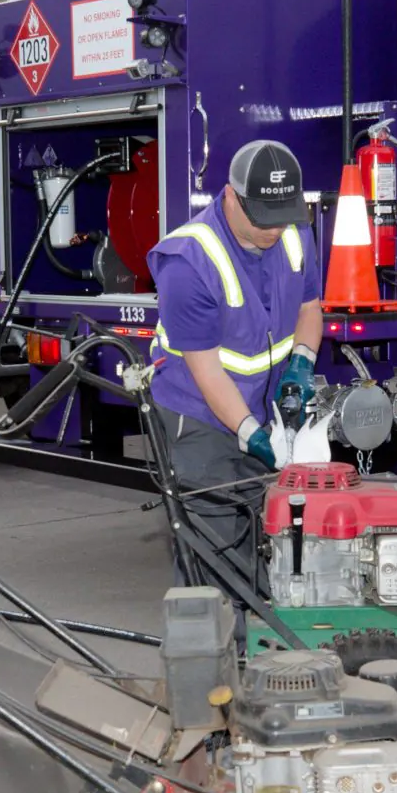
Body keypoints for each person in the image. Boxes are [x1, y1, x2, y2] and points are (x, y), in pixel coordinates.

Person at [145, 139, 324, 597]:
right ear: (230, 196)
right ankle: (224, 659)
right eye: (261, 215)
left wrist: (300, 366)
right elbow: (206, 370)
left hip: (262, 411)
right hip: (198, 419)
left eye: (282, 215)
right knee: (215, 555)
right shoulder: (187, 263)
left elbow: (309, 307)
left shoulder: (295, 231)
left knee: (267, 540)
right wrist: (250, 432)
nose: (273, 229)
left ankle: (266, 648)